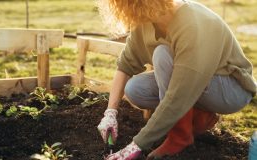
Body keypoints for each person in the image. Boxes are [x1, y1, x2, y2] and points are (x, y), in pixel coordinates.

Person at [96, 0, 257, 159]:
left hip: (230, 88)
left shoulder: (190, 24)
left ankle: (180, 136)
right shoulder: (145, 22)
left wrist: (136, 145)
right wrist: (110, 113)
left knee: (161, 55)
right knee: (135, 89)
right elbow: (125, 66)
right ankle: (199, 116)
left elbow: (178, 95)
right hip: (194, 81)